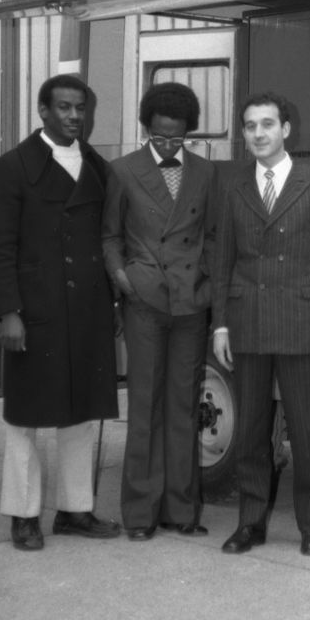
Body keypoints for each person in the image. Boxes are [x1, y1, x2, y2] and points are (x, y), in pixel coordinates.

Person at [212, 92, 310, 556]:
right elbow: (223, 261)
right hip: (248, 323)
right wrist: (220, 326)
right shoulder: (234, 187)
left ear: (286, 129)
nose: (258, 134)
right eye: (250, 126)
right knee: (251, 432)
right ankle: (250, 525)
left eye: (267, 124)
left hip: (302, 323)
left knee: (307, 431)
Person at [0, 74, 120, 551]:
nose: (73, 117)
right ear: (42, 111)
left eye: (80, 108)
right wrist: (9, 313)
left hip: (86, 309)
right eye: (63, 108)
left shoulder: (98, 167)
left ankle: (75, 510)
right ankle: (23, 515)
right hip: (36, 311)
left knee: (80, 413)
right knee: (26, 416)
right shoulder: (14, 166)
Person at [102, 82, 216, 540]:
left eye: (178, 138)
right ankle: (140, 514)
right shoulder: (122, 171)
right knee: (145, 404)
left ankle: (182, 511)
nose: (169, 145)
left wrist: (205, 280)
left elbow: (213, 232)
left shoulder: (207, 173)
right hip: (145, 300)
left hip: (190, 302)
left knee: (184, 406)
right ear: (146, 128)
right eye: (160, 137)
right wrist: (123, 278)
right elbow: (109, 235)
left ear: (189, 131)